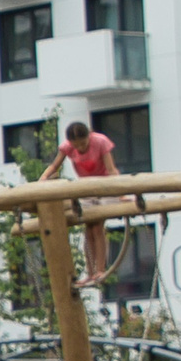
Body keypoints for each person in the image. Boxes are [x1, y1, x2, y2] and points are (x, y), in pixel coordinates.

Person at [44, 120, 119, 288]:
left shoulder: (100, 141)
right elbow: (55, 166)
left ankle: (100, 269)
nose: (81, 148)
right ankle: (90, 272)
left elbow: (111, 169)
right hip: (86, 189)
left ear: (89, 137)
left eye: (83, 144)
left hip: (105, 186)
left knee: (98, 227)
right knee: (88, 229)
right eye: (77, 146)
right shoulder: (67, 147)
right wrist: (42, 180)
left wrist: (121, 193)